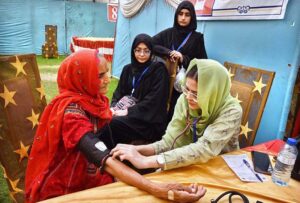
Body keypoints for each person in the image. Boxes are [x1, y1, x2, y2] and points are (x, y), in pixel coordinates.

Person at [25, 49, 205, 203]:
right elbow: (102, 157)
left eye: (107, 72)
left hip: (90, 170)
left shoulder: (93, 101)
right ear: (81, 78)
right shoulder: (71, 114)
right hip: (65, 182)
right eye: (99, 75)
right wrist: (158, 189)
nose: (107, 79)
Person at [111, 59, 242, 171]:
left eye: (196, 94)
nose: (189, 97)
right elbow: (169, 142)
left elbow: (205, 149)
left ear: (212, 92)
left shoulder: (232, 111)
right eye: (186, 89)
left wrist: (145, 161)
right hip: (189, 162)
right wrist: (136, 150)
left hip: (220, 166)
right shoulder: (185, 100)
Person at [106, 33, 169, 145]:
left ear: (151, 52)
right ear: (133, 51)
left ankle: (109, 154)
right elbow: (118, 93)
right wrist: (113, 108)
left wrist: (128, 112)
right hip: (127, 115)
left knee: (114, 123)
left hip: (147, 122)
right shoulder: (128, 69)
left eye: (146, 51)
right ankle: (103, 152)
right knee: (106, 118)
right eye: (138, 50)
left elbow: (154, 101)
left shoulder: (159, 70)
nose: (142, 54)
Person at [152, 0, 208, 121]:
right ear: (176, 15)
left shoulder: (197, 38)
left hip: (182, 85)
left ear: (192, 17)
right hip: (165, 78)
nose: (183, 18)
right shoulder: (168, 33)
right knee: (159, 108)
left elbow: (203, 62)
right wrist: (168, 52)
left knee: (175, 113)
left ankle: (172, 136)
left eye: (187, 15)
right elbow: (151, 44)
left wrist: (183, 58)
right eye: (180, 14)